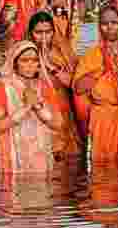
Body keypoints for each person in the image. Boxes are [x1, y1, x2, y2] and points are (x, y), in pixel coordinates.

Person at [73, 6, 118, 167]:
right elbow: (78, 87)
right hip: (101, 119)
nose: (110, 27)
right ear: (99, 26)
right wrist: (100, 71)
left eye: (114, 22)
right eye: (105, 23)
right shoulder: (92, 55)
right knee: (101, 168)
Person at [0, 40, 62, 174]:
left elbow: (58, 124)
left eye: (34, 60)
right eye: (24, 60)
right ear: (15, 63)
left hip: (40, 159)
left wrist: (38, 107)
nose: (30, 65)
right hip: (12, 160)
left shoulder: (44, 87)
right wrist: (26, 107)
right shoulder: (1, 87)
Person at [28, 11, 81, 160]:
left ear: (54, 31)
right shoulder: (24, 53)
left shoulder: (63, 52)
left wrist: (51, 67)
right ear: (31, 33)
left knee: (65, 166)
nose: (44, 37)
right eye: (39, 32)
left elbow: (74, 84)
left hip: (63, 114)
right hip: (36, 115)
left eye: (48, 32)